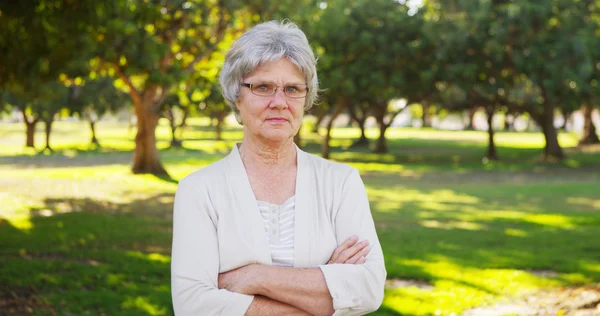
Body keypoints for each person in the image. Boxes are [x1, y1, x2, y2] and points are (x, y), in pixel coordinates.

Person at [171, 20, 386, 316]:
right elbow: (193, 304)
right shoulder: (199, 190)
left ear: (305, 97)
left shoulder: (341, 183)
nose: (279, 102)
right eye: (262, 87)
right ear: (237, 94)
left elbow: (369, 290)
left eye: (292, 89)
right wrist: (327, 285)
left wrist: (254, 277)